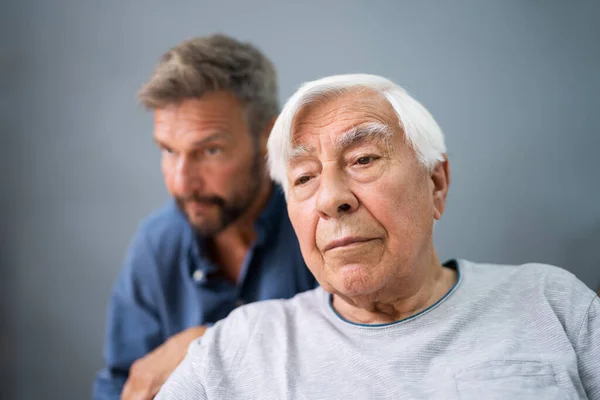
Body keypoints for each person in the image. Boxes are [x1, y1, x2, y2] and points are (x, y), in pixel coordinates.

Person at [157, 73, 600, 399]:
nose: (331, 199)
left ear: (436, 182)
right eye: (304, 177)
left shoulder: (550, 302)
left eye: (364, 159)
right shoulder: (236, 346)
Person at [92, 34, 317, 400]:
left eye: (210, 150)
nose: (182, 183)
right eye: (168, 150)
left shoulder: (323, 225)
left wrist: (208, 345)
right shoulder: (156, 243)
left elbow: (357, 362)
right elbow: (120, 386)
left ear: (270, 136)